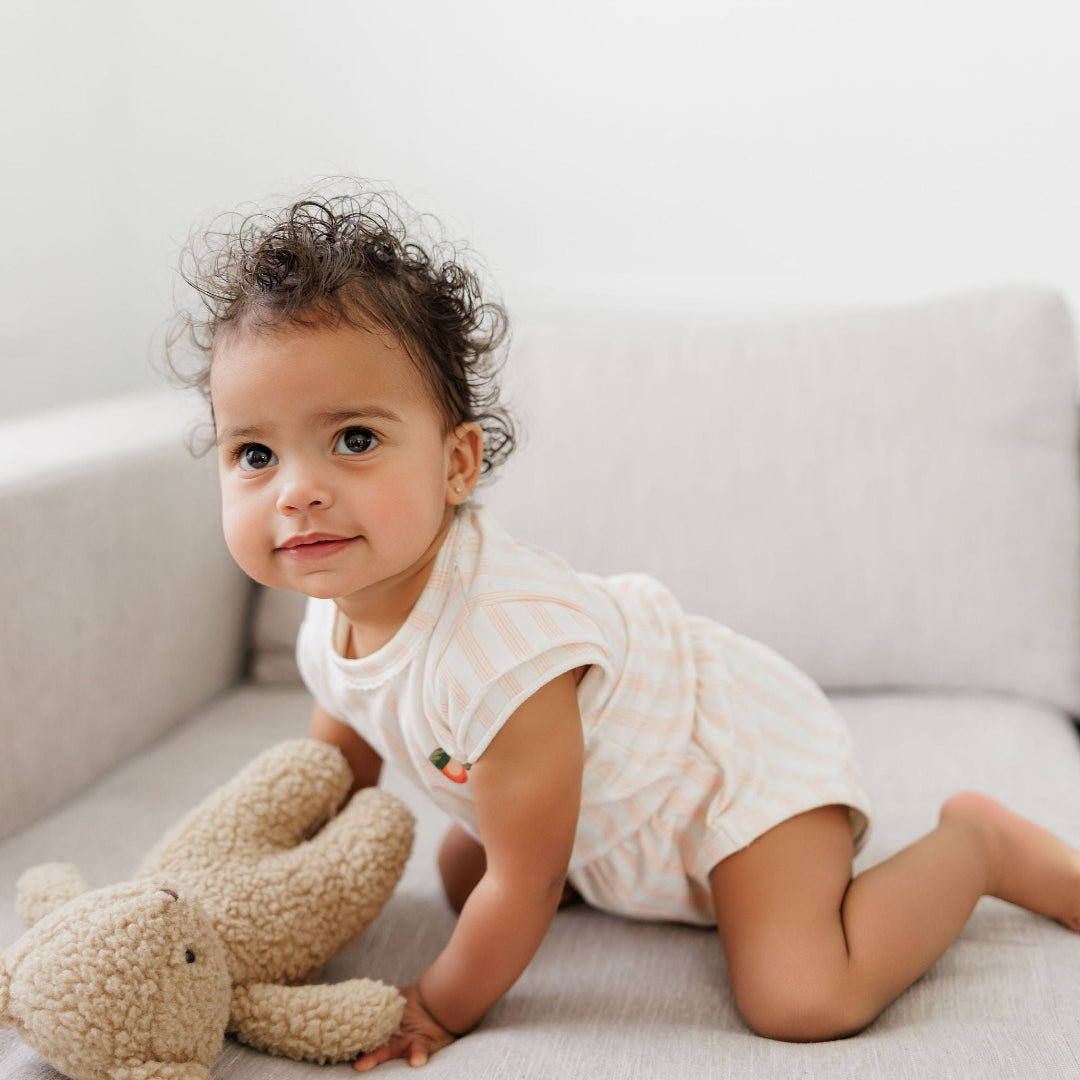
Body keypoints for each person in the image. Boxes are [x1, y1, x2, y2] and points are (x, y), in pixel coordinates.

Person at [167, 181, 1080, 1070]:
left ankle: (977, 845)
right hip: (606, 802)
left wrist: (439, 1007)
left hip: (729, 771)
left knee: (803, 998)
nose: (298, 490)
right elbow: (342, 772)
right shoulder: (327, 623)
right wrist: (252, 893)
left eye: (354, 439)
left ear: (457, 463)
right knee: (460, 877)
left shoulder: (502, 652)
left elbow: (522, 883)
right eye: (255, 452)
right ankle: (609, 860)